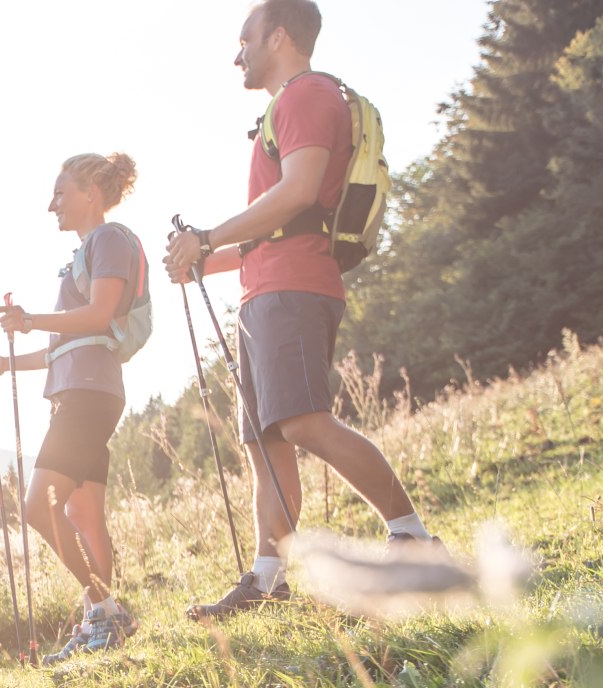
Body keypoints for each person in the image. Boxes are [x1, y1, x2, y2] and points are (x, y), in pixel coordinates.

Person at [163, 0, 437, 621]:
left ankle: (412, 537)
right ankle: (267, 578)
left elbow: (299, 194)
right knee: (265, 440)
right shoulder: (285, 104)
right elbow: (278, 225)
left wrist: (206, 239)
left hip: (294, 289)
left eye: (245, 40)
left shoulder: (306, 94)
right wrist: (208, 260)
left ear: (279, 36)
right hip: (266, 288)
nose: (238, 54)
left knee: (305, 423)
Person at [0, 152, 148, 662]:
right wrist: (5, 365)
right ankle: (101, 622)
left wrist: (29, 320)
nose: (52, 204)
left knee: (38, 506)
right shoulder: (84, 253)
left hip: (90, 394)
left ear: (91, 194)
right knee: (85, 514)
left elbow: (97, 315)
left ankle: (106, 610)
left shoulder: (108, 240)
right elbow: (60, 346)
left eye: (60, 193)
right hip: (79, 390)